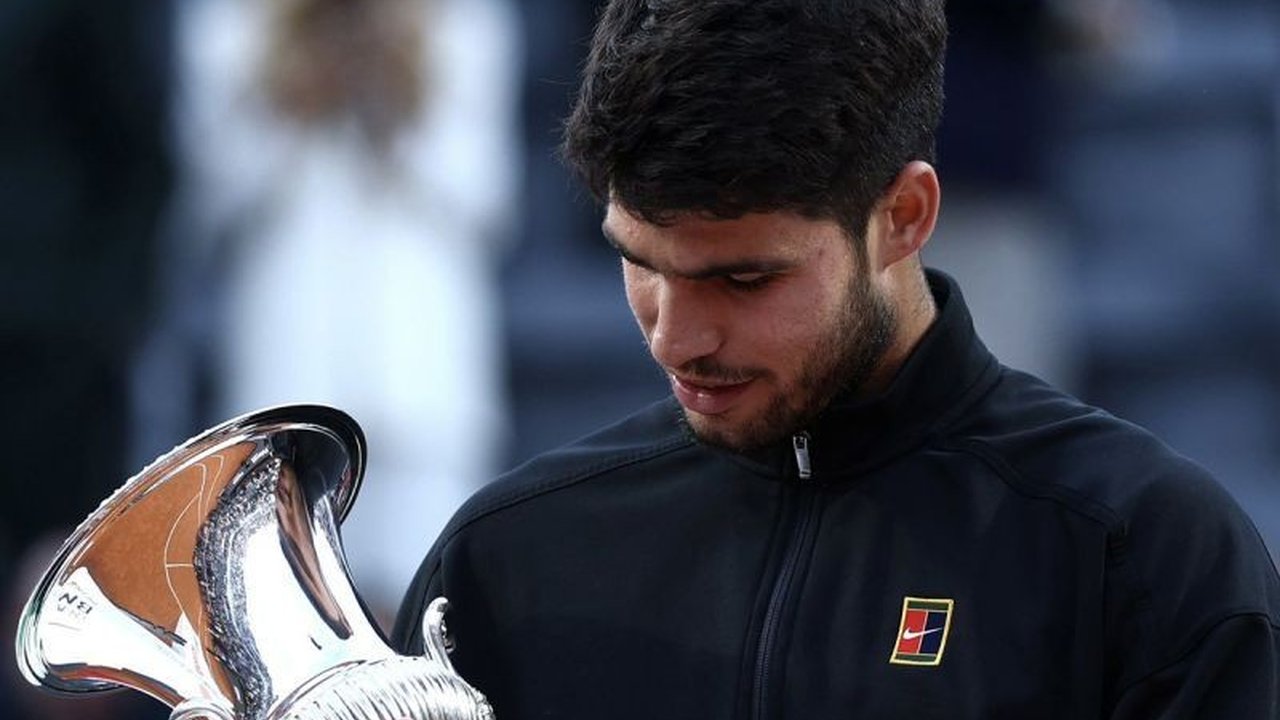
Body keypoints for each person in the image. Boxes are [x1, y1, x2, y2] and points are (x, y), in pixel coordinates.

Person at [393, 0, 1280, 717]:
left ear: (905, 217)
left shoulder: (1145, 556)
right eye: (640, 262)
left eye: (744, 279)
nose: (674, 338)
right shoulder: (504, 560)